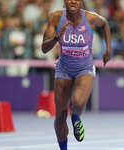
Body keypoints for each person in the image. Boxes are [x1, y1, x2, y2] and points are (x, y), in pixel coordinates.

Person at [41, 0, 111, 149]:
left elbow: (105, 24)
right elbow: (44, 49)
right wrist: (56, 38)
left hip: (84, 68)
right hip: (63, 69)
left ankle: (76, 116)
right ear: (64, 1)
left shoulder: (91, 18)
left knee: (77, 103)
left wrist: (108, 49)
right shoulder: (55, 17)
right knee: (59, 117)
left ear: (81, 2)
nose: (73, 1)